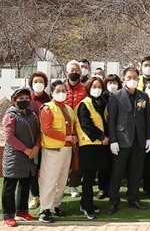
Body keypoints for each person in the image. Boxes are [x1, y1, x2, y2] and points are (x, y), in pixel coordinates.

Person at [106, 66, 150, 215]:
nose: (132, 80)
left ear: (138, 79)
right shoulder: (116, 96)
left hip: (139, 141)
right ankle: (113, 200)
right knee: (117, 172)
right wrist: (113, 140)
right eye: (129, 78)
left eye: (135, 78)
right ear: (123, 79)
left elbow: (147, 119)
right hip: (121, 140)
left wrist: (147, 138)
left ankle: (133, 198)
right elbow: (111, 120)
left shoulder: (143, 96)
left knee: (136, 172)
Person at [38, 80, 77, 223]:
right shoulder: (47, 108)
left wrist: (73, 138)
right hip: (53, 149)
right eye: (58, 91)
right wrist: (65, 137)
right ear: (52, 93)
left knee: (61, 179)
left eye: (63, 91)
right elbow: (47, 130)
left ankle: (55, 205)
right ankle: (44, 209)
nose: (61, 93)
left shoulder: (69, 109)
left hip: (67, 149)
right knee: (49, 180)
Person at [1, 88, 40, 227]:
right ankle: (8, 215)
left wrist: (36, 147)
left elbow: (38, 133)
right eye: (20, 98)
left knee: (25, 185)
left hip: (29, 156)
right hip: (15, 156)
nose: (24, 100)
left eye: (26, 98)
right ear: (14, 100)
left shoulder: (33, 115)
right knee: (9, 186)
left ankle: (22, 211)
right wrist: (25, 149)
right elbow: (9, 136)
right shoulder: (10, 116)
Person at [75, 77, 109, 219]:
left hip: (98, 146)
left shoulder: (100, 102)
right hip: (88, 145)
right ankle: (87, 208)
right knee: (88, 178)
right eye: (94, 86)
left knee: (92, 175)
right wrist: (102, 137)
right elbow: (86, 125)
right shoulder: (84, 104)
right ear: (88, 88)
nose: (97, 89)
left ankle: (86, 203)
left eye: (99, 87)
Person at [64, 60, 88, 198]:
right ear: (66, 72)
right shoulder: (60, 88)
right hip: (63, 130)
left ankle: (73, 185)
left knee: (77, 160)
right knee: (62, 158)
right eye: (71, 70)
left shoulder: (85, 89)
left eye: (77, 71)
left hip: (80, 129)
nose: (74, 73)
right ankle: (59, 185)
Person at [27, 71, 50, 210]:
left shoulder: (50, 99)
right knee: (33, 169)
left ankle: (46, 195)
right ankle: (35, 195)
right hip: (32, 141)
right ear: (31, 84)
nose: (38, 84)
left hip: (48, 141)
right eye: (35, 82)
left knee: (46, 169)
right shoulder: (27, 100)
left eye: (41, 82)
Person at [97, 73, 121, 199]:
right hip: (105, 136)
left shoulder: (122, 97)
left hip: (119, 135)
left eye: (115, 83)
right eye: (110, 83)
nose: (112, 85)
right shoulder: (101, 99)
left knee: (116, 164)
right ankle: (102, 188)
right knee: (104, 164)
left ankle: (114, 188)